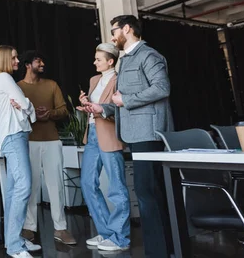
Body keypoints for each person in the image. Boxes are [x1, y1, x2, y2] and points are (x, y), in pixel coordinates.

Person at [78, 15, 174, 258]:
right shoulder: (128, 60)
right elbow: (119, 103)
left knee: (148, 193)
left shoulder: (148, 55)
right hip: (134, 132)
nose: (112, 36)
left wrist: (125, 100)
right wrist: (103, 108)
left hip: (149, 133)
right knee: (146, 193)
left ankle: (160, 251)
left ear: (127, 29)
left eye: (114, 31)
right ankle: (159, 250)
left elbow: (162, 88)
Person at [17, 51, 75, 245]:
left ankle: (61, 228)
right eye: (37, 60)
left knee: (56, 185)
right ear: (27, 64)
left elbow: (64, 110)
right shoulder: (17, 88)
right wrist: (31, 115)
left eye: (42, 59)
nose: (42, 63)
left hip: (52, 141)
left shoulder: (51, 85)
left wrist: (49, 114)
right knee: (30, 187)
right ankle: (29, 228)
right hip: (28, 142)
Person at [79, 43, 130, 252]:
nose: (94, 62)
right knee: (87, 183)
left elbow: (120, 108)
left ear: (110, 61)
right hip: (92, 134)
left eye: (98, 59)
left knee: (116, 187)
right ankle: (107, 233)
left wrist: (100, 109)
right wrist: (86, 104)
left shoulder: (120, 80)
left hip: (109, 134)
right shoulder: (94, 80)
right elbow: (96, 107)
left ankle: (121, 238)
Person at [0, 45, 42, 258]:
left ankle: (13, 240)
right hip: (13, 136)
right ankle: (14, 246)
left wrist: (25, 106)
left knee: (14, 191)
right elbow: (24, 105)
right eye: (13, 58)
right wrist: (27, 105)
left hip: (16, 135)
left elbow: (25, 107)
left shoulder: (5, 80)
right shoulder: (4, 78)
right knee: (24, 186)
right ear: (4, 59)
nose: (17, 61)